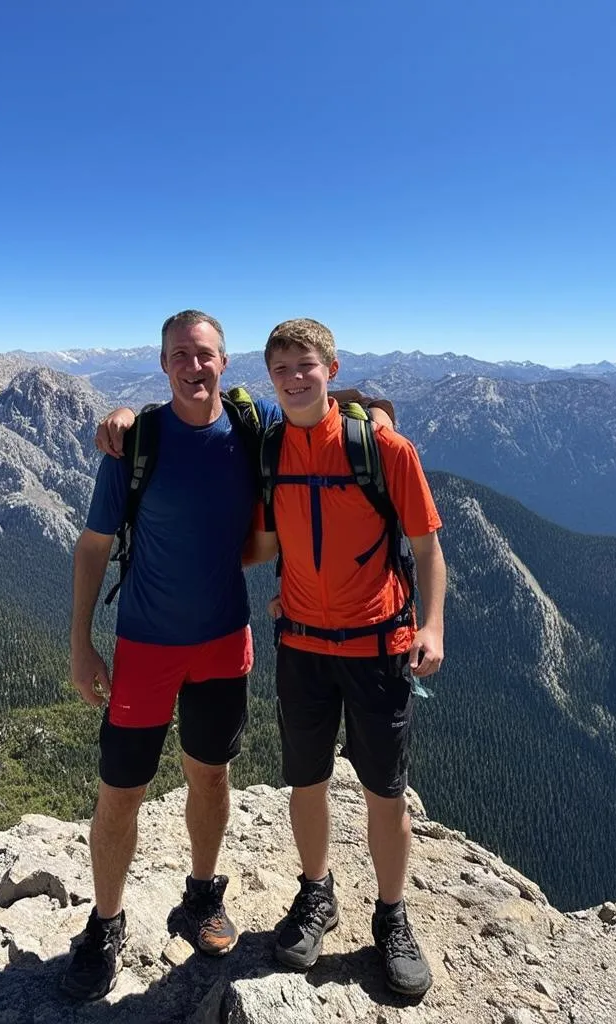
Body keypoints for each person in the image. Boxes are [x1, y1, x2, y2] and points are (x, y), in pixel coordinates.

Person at [63, 310, 392, 1001]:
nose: (194, 366)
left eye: (205, 354)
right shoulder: (136, 442)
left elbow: (321, 404)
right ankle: (105, 922)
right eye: (180, 355)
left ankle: (202, 895)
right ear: (163, 365)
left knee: (210, 775)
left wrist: (374, 414)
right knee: (121, 791)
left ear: (225, 362)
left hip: (223, 642)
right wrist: (81, 644)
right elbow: (93, 547)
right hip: (144, 646)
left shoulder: (253, 428)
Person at [252, 318, 446, 1000]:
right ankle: (316, 895)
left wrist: (433, 628)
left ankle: (391, 919)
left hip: (376, 647)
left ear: (330, 369)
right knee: (305, 780)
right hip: (302, 644)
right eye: (281, 370)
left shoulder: (382, 448)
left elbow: (426, 548)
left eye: (305, 365)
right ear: (270, 379)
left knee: (384, 791)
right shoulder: (272, 449)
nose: (294, 378)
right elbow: (269, 543)